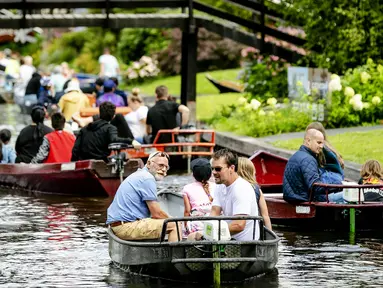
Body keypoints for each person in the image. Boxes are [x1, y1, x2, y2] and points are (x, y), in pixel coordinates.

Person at [106, 151, 182, 242]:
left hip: (118, 225)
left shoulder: (140, 174)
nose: (164, 169)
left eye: (166, 167)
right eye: (161, 165)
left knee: (163, 223)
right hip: (126, 227)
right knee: (174, 225)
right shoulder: (147, 178)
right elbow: (156, 213)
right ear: (149, 163)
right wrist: (177, 220)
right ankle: (175, 256)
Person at [209, 149, 259, 241]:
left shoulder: (241, 188)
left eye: (218, 169)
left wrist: (212, 232)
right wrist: (206, 231)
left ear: (231, 168)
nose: (214, 172)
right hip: (227, 239)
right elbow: (214, 212)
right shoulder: (220, 185)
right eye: (212, 168)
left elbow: (239, 225)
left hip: (245, 244)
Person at [283, 129, 344, 203]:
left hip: (297, 198)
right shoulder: (308, 159)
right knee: (348, 197)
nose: (322, 146)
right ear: (308, 141)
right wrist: (339, 185)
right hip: (307, 200)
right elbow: (315, 187)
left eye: (322, 143)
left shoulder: (296, 155)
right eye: (319, 143)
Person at [71, 101, 141, 162]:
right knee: (122, 155)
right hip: (101, 162)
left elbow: (75, 150)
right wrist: (131, 141)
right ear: (113, 116)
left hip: (85, 161)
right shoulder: (110, 128)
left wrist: (74, 164)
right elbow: (114, 139)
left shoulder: (84, 129)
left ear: (100, 113)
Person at [182, 158, 216, 238]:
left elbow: (187, 211)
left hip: (196, 226)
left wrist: (185, 226)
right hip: (214, 224)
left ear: (193, 175)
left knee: (181, 228)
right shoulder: (217, 187)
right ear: (210, 174)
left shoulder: (187, 188)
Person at [237, 157, 272, 230]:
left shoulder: (232, 187)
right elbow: (265, 216)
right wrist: (270, 234)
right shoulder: (257, 189)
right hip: (253, 230)